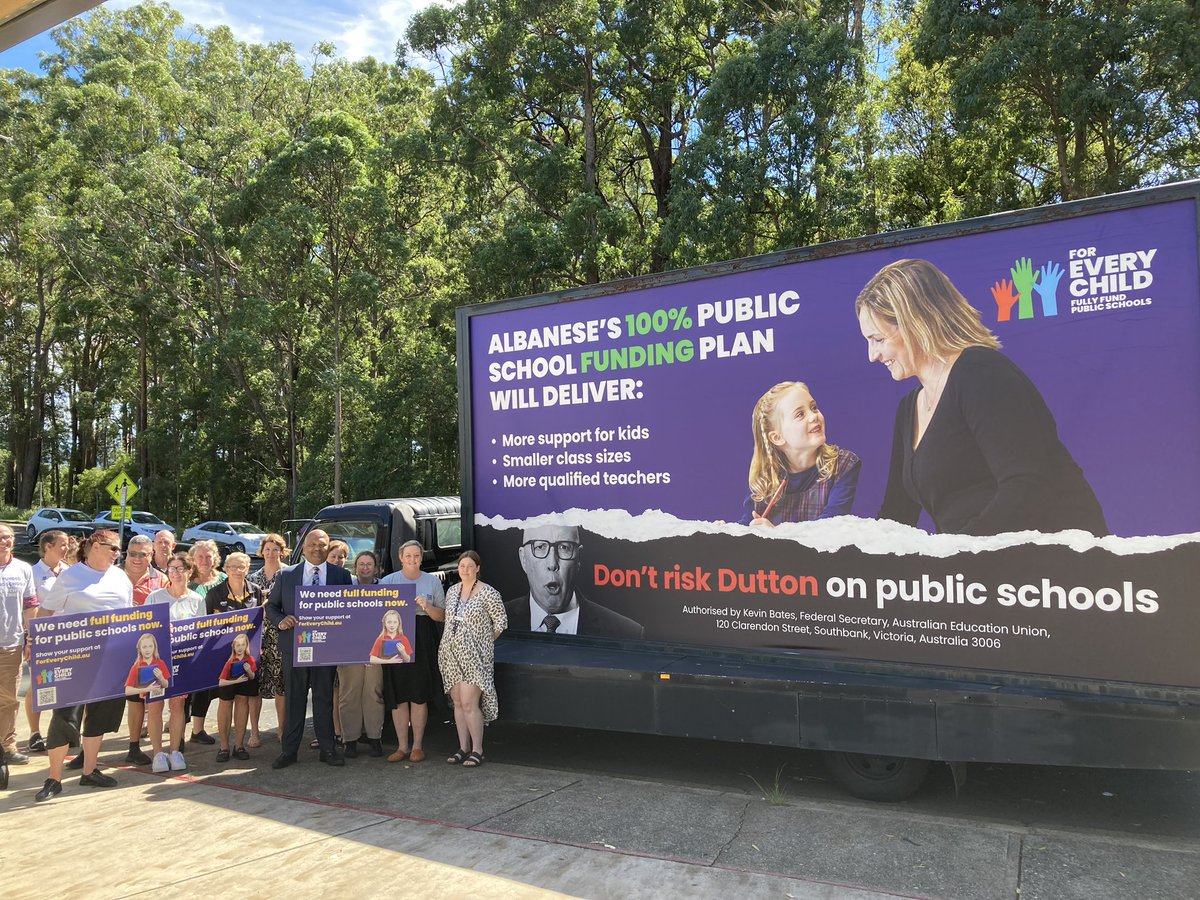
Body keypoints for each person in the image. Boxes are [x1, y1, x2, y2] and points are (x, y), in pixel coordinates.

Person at [856, 258, 1107, 536]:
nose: (872, 356)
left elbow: (1027, 485)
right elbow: (897, 515)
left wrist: (962, 551)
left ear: (916, 323)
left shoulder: (980, 373)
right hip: (976, 560)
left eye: (878, 339)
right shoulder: (908, 409)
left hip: (1057, 555)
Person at [36, 530, 133, 801]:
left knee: (100, 716)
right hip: (73, 657)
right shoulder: (71, 576)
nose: (117, 554)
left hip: (110, 658)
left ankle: (89, 771)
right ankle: (53, 778)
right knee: (64, 716)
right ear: (95, 546)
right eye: (112, 548)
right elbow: (46, 612)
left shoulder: (120, 577)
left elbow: (129, 615)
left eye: (119, 549)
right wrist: (35, 642)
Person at [265, 528, 352, 769]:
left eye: (322, 545)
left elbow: (350, 610)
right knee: (295, 699)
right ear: (303, 548)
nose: (317, 549)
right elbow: (271, 607)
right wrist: (281, 620)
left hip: (326, 648)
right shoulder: (286, 575)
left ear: (327, 547)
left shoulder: (341, 575)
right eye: (312, 544)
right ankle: (289, 751)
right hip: (295, 647)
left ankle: (328, 749)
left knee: (324, 699)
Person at [739, 381, 860, 526]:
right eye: (800, 414)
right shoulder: (764, 479)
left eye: (814, 408)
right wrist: (726, 531)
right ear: (777, 437)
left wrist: (776, 534)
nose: (814, 416)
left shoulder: (843, 464)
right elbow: (747, 526)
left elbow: (831, 524)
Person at [506, 523, 643, 638]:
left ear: (579, 558)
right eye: (540, 547)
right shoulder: (495, 622)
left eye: (564, 547)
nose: (552, 564)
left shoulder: (626, 633)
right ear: (523, 559)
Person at [379, 541, 445, 764]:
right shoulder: (388, 581)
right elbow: (376, 614)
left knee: (418, 694)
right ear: (400, 557)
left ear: (421, 558)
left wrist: (427, 606)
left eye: (416, 556)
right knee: (398, 695)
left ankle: (417, 746)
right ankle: (402, 747)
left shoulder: (432, 582)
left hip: (423, 637)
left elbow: (442, 616)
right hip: (394, 637)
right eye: (408, 555)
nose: (412, 559)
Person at [439, 550, 506, 768]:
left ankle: (478, 749)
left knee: (469, 702)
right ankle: (463, 747)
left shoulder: (489, 593)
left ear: (477, 568)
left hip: (475, 658)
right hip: (450, 655)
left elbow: (501, 622)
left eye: (469, 566)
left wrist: (484, 642)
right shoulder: (452, 591)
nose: (465, 570)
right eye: (462, 566)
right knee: (458, 703)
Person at [144, 553, 205, 772]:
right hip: (156, 662)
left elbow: (200, 632)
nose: (176, 573)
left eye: (180, 569)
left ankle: (175, 751)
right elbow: (144, 630)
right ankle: (157, 754)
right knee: (155, 706)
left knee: (178, 705)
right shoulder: (155, 597)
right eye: (172, 569)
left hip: (183, 661)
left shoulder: (197, 599)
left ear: (189, 572)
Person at [122, 534, 166, 765]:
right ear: (126, 554)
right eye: (132, 553)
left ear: (152, 555)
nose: (137, 558)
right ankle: (85, 750)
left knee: (138, 700)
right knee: (100, 701)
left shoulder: (162, 580)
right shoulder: (112, 576)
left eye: (143, 554)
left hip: (146, 649)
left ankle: (134, 747)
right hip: (115, 646)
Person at [25, 529, 69, 753]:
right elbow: (30, 608)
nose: (67, 548)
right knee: (40, 684)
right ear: (48, 546)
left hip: (69, 636)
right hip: (42, 638)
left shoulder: (70, 572)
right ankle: (34, 733)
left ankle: (62, 731)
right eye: (62, 544)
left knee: (66, 684)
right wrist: (30, 638)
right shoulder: (33, 573)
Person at [338, 551, 385, 759]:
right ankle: (350, 740)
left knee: (373, 694)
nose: (365, 568)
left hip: (377, 653)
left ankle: (375, 738)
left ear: (376, 568)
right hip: (349, 651)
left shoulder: (385, 589)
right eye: (361, 564)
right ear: (355, 567)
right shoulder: (345, 588)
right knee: (349, 694)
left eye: (369, 564)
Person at [0, 523, 36, 771]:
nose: (5, 541)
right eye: (1, 537)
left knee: (9, 699)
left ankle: (7, 746)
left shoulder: (23, 569)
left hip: (11, 645)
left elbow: (30, 605)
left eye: (8, 537)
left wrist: (30, 637)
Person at [186, 539, 227, 746]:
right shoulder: (185, 579)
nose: (204, 560)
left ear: (215, 558)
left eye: (208, 556)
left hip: (218, 642)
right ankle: (180, 730)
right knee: (187, 688)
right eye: (200, 556)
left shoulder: (225, 579)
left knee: (209, 687)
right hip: (190, 643)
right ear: (193, 559)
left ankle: (199, 729)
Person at [248, 533, 287, 746]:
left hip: (281, 635)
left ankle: (282, 730)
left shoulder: (289, 574)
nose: (271, 553)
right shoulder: (253, 578)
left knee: (282, 686)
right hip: (258, 638)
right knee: (255, 686)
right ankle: (254, 732)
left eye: (275, 549)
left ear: (282, 551)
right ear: (262, 552)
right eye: (267, 549)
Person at [124, 632, 170, 769]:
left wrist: (161, 678)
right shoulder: (136, 665)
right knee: (137, 703)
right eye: (144, 647)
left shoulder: (159, 662)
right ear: (139, 649)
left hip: (155, 629)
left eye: (150, 646)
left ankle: (160, 753)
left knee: (156, 708)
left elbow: (166, 683)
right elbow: (128, 690)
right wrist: (145, 689)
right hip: (129, 633)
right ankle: (135, 748)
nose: (148, 649)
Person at [215, 632, 258, 763]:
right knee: (225, 702)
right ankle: (224, 747)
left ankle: (239, 746)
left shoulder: (248, 655)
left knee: (243, 700)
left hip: (246, 629)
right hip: (220, 640)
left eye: (242, 645)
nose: (240, 647)